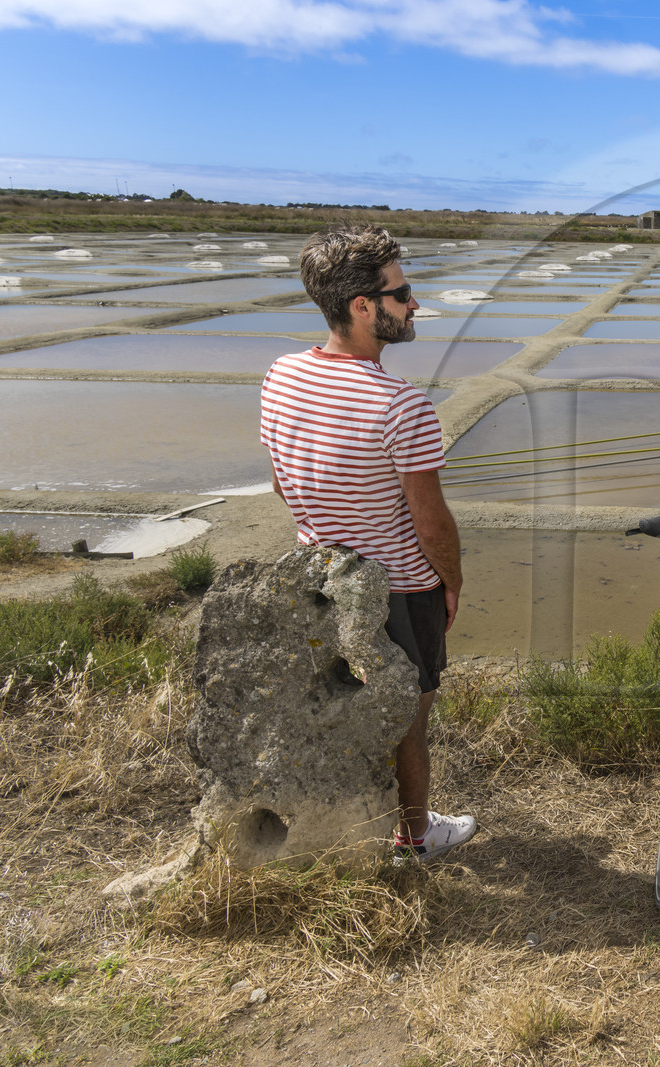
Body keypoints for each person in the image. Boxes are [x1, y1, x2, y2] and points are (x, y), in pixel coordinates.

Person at [259, 224, 476, 864]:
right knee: (409, 720)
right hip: (402, 592)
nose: (415, 305)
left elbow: (281, 479)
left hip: (319, 577)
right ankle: (414, 835)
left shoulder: (282, 375)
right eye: (403, 294)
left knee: (338, 707)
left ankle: (340, 824)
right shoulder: (402, 405)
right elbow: (431, 521)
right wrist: (452, 582)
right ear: (363, 307)